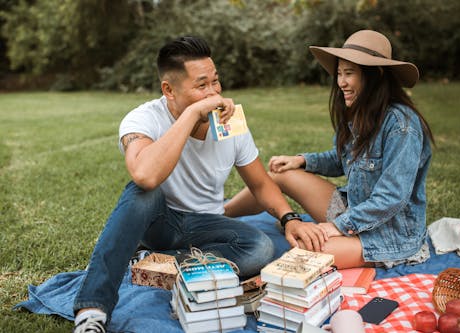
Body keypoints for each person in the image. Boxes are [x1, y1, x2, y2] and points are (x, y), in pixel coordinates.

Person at [72, 36, 327, 333]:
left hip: (206, 225)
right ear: (169, 90)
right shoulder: (143, 118)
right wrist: (192, 114)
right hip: (160, 221)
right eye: (201, 85)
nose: (214, 93)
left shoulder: (229, 123)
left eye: (215, 82)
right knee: (142, 193)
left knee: (260, 248)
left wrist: (289, 218)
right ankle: (92, 311)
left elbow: (260, 184)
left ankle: (152, 262)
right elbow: (145, 175)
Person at [225, 30, 434, 270]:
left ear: (375, 75)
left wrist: (336, 227)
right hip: (353, 210)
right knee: (280, 175)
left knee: (305, 252)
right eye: (339, 74)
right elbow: (341, 160)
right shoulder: (360, 112)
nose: (341, 82)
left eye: (349, 74)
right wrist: (302, 161)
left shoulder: (402, 125)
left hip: (389, 234)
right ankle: (222, 213)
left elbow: (391, 198)